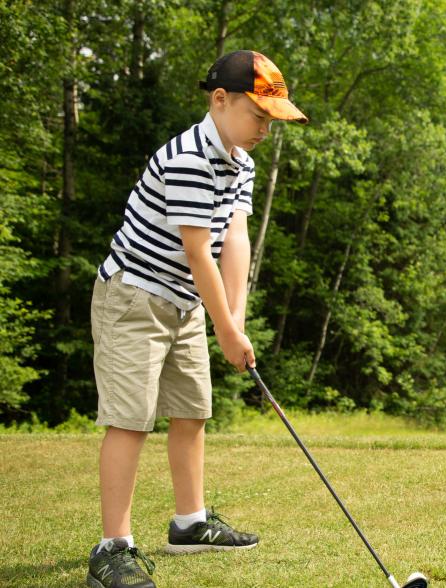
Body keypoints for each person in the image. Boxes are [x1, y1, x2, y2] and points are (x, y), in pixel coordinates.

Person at [86, 50, 308, 588]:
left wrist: (236, 317)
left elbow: (233, 239)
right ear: (219, 101)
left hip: (184, 303)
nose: (264, 130)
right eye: (259, 116)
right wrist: (225, 331)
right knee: (130, 420)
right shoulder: (188, 157)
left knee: (192, 412)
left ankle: (189, 523)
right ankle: (112, 547)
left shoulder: (242, 162)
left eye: (271, 121)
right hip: (133, 297)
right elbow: (197, 251)